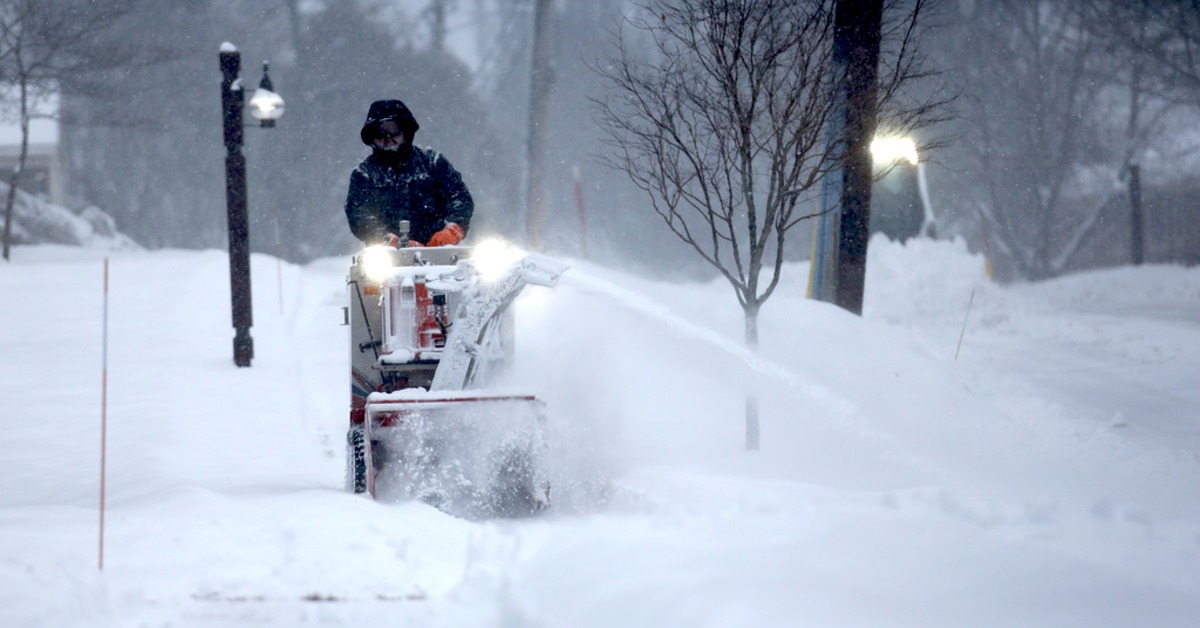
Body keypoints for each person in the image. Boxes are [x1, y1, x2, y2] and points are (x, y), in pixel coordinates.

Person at [344, 99, 473, 247]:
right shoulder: (364, 174)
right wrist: (386, 239)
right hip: (387, 258)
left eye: (392, 130)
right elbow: (359, 214)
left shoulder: (432, 162)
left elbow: (459, 197)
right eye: (380, 133)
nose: (387, 139)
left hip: (442, 251)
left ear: (405, 131)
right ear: (372, 137)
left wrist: (452, 228)